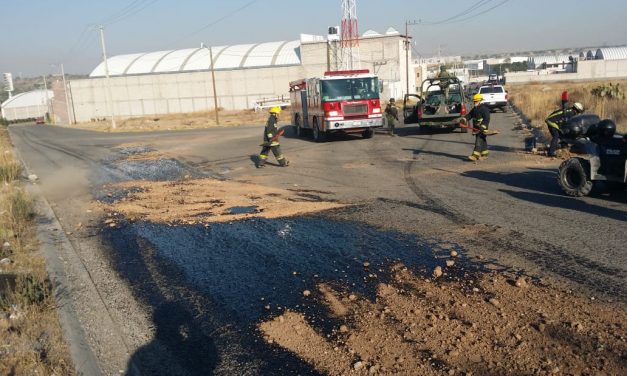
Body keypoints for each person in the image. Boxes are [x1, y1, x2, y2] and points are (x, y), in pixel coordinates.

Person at [461, 93, 491, 161]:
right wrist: (464, 119)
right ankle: (485, 154)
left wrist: (483, 126)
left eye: (476, 101)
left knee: (478, 141)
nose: (475, 102)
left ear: (480, 101)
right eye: (474, 101)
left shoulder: (484, 109)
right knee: (482, 141)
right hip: (476, 129)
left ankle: (475, 155)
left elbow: (487, 119)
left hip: (482, 129)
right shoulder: (475, 109)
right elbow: (469, 115)